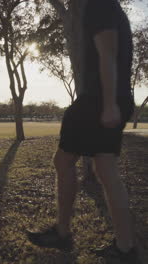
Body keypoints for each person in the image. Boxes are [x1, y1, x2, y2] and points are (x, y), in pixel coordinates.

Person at [26, 0, 139, 262]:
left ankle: (63, 233)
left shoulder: (100, 5)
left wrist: (110, 104)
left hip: (99, 99)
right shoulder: (109, 7)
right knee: (105, 169)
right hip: (108, 97)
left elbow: (108, 54)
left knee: (64, 160)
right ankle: (125, 248)